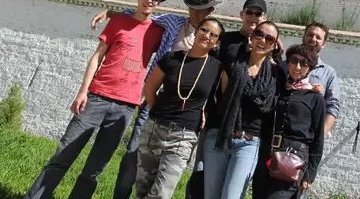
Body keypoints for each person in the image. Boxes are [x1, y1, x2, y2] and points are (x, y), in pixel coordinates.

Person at [24, 0, 168, 199]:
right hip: (97, 97)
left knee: (95, 169)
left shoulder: (158, 31)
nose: (149, 0)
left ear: (158, 2)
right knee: (63, 155)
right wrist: (83, 91)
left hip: (126, 106)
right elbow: (97, 56)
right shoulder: (119, 22)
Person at [91, 0, 222, 199]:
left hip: (184, 116)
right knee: (133, 157)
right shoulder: (172, 22)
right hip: (154, 102)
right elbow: (141, 17)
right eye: (192, 8)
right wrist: (111, 12)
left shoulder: (215, 40)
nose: (196, 13)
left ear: (211, 11)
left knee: (165, 175)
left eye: (201, 9)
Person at [136, 17, 225, 199]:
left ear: (217, 43)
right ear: (196, 31)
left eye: (213, 34)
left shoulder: (217, 68)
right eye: (204, 30)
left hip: (184, 136)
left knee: (162, 193)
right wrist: (158, 115)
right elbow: (150, 89)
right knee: (142, 189)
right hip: (155, 127)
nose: (207, 36)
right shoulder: (172, 58)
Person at [203, 21, 282, 199]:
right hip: (220, 136)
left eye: (269, 38)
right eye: (259, 34)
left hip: (248, 143)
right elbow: (222, 99)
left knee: (231, 196)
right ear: (251, 37)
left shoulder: (277, 75)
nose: (263, 40)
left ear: (274, 45)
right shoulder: (232, 66)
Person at [257, 44, 325, 199]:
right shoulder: (279, 88)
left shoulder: (315, 98)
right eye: (294, 61)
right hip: (268, 153)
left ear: (310, 68)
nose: (298, 66)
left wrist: (310, 174)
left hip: (294, 157)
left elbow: (318, 138)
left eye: (304, 63)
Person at [300, 23, 341, 137]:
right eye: (310, 35)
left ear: (324, 44)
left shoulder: (328, 73)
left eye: (318, 37)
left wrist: (320, 136)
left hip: (308, 137)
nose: (313, 39)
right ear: (303, 37)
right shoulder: (285, 65)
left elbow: (333, 106)